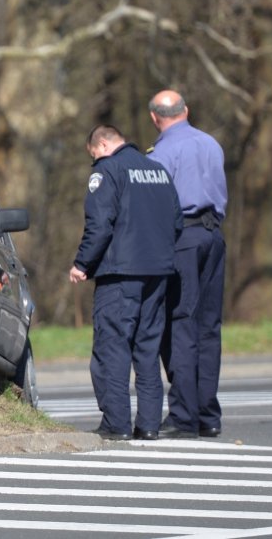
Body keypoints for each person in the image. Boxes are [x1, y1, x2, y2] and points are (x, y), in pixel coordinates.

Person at [69, 125, 183, 441]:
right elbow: (177, 222)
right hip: (158, 273)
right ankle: (148, 424)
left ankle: (116, 423)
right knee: (147, 348)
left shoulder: (107, 170)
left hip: (119, 274)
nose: (94, 160)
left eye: (93, 154)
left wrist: (82, 263)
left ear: (102, 144)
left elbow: (100, 224)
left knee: (112, 347)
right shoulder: (157, 170)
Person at [146, 89, 228, 439]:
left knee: (181, 324)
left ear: (154, 117)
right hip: (214, 236)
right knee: (209, 328)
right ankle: (208, 414)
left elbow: (155, 205)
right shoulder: (211, 143)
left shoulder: (162, 152)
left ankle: (182, 415)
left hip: (184, 239)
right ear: (186, 110)